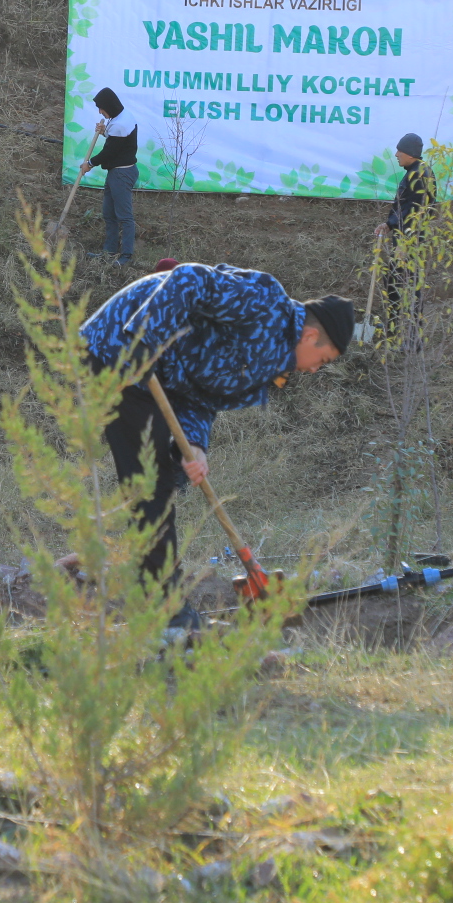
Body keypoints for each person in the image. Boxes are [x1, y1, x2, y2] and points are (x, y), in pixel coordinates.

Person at [80, 264, 354, 631]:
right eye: (323, 361)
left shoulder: (270, 364)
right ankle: (166, 609)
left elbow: (201, 398)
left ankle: (148, 589)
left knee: (162, 479)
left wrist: (194, 446)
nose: (315, 371)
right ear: (309, 336)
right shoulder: (265, 302)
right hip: (116, 348)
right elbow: (188, 278)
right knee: (149, 483)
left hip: (155, 377)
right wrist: (144, 340)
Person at [374, 132, 434, 329]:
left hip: (411, 240)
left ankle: (408, 336)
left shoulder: (420, 174)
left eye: (400, 150)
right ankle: (394, 329)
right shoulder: (413, 172)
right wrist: (389, 224)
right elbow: (404, 205)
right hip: (405, 237)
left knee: (405, 285)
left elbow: (418, 211)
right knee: (394, 282)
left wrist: (406, 243)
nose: (396, 154)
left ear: (409, 153)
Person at [80, 87, 138, 265]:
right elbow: (117, 143)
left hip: (122, 173)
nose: (100, 112)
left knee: (124, 216)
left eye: (101, 108)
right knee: (109, 213)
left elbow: (110, 152)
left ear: (109, 106)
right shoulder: (121, 117)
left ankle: (126, 256)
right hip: (116, 172)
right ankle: (109, 251)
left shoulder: (120, 123)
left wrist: (90, 164)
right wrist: (105, 131)